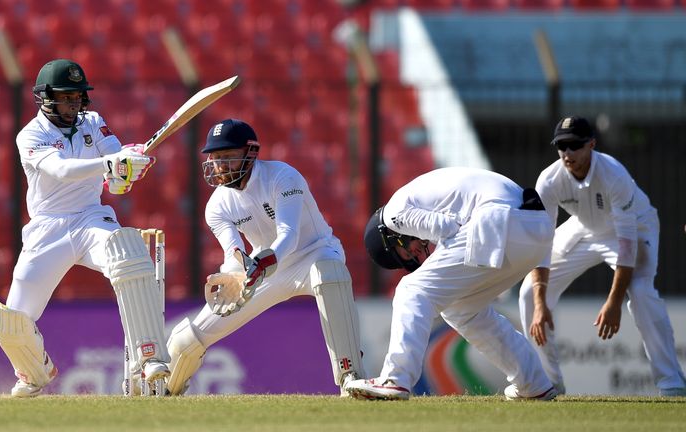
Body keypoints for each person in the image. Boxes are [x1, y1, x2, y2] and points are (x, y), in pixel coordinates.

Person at [0, 59, 171, 397]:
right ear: (45, 97)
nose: (74, 103)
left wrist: (128, 171)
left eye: (78, 96)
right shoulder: (31, 135)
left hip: (90, 218)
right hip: (48, 227)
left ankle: (149, 358)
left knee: (126, 253)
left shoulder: (94, 122)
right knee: (9, 322)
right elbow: (61, 170)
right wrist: (110, 164)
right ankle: (34, 373)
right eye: (66, 96)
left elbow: (116, 178)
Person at [164, 119, 364, 396]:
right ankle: (163, 393)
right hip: (263, 269)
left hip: (312, 253)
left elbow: (289, 234)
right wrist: (234, 274)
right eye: (216, 157)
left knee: (330, 273)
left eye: (228, 156)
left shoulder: (282, 176)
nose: (220, 165)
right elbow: (233, 251)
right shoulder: (216, 205)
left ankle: (350, 377)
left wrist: (262, 262)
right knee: (185, 343)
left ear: (251, 153)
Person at [345, 167, 558, 401]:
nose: (416, 255)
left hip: (498, 221)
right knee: (461, 310)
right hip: (537, 232)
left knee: (411, 290)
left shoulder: (393, 213)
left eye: (405, 255)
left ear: (388, 237)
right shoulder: (418, 197)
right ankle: (533, 384)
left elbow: (448, 230)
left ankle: (395, 379)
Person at [518, 116, 686, 396]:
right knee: (527, 295)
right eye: (561, 146)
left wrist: (614, 302)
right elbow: (541, 241)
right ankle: (547, 384)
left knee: (642, 294)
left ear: (592, 144)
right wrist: (540, 302)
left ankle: (672, 383)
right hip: (583, 227)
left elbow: (627, 245)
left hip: (635, 227)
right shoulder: (549, 180)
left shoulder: (614, 175)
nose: (567, 154)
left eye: (574, 146)